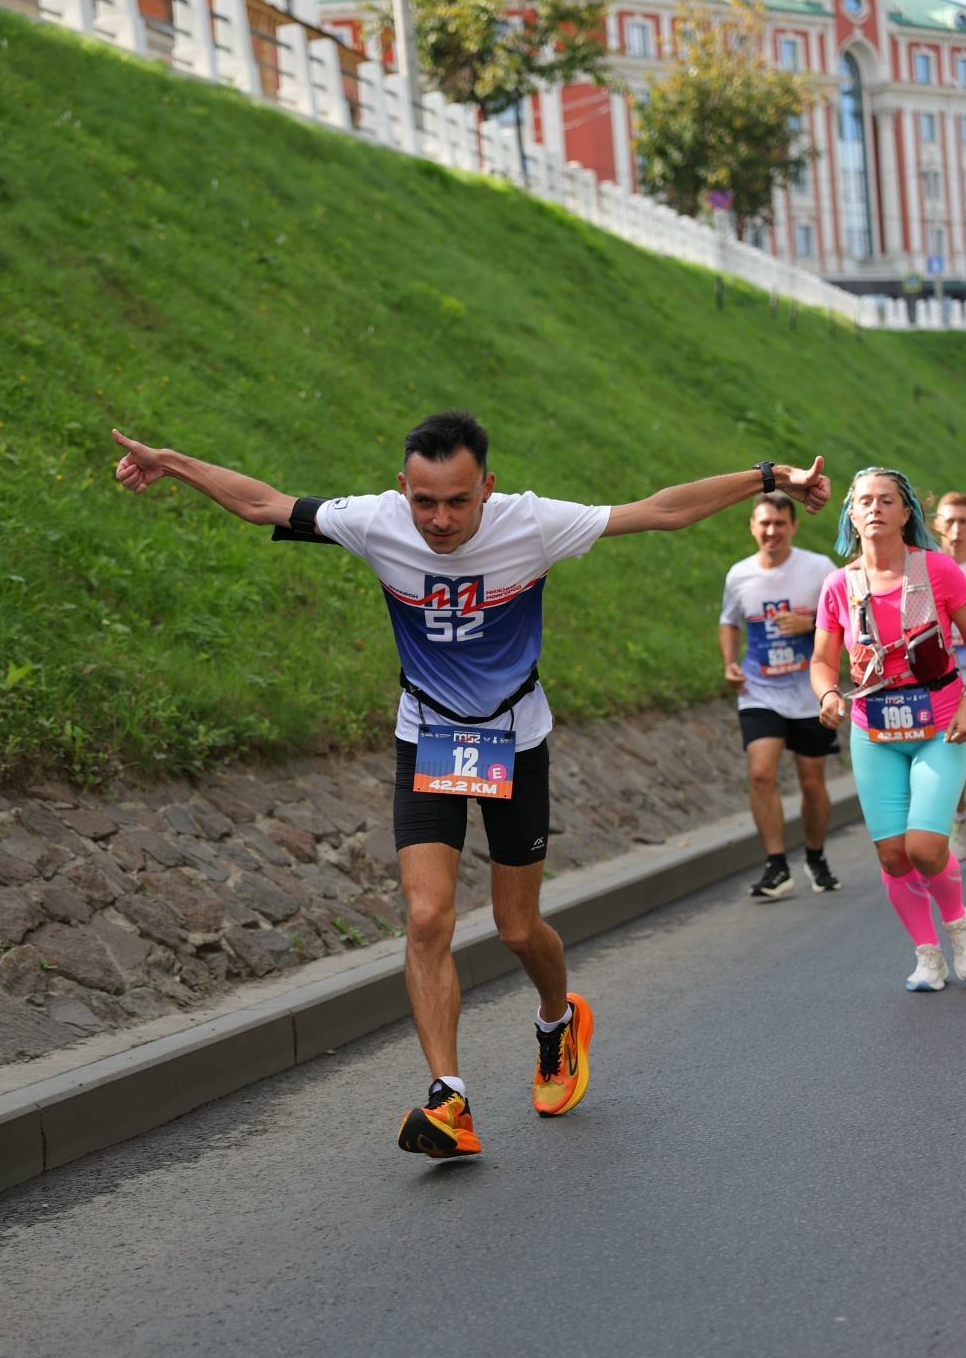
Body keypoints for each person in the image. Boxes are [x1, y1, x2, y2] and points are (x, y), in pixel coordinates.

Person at [112, 415, 829, 1155]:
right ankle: (448, 1099)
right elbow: (265, 503)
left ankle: (558, 1019)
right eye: (424, 501)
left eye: (457, 501)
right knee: (427, 917)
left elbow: (662, 510)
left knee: (517, 928)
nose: (440, 521)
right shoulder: (377, 522)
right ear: (402, 488)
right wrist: (170, 461)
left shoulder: (533, 525)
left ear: (487, 487)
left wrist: (769, 477)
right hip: (426, 737)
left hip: (515, 741)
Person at [812, 467, 966, 993]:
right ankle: (928, 957)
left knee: (925, 847)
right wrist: (828, 695)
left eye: (887, 500)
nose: (875, 508)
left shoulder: (939, 569)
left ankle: (960, 928)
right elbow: (822, 661)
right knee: (892, 854)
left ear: (906, 513)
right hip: (875, 731)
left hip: (940, 726)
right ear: (851, 516)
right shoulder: (839, 585)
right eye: (865, 501)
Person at [719, 494, 840, 899]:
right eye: (765, 523)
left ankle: (816, 857)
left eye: (780, 523)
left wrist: (810, 624)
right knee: (760, 773)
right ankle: (776, 865)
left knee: (812, 782)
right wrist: (729, 663)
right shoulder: (739, 574)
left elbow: (845, 618)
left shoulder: (819, 568)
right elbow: (729, 622)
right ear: (753, 527)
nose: (772, 531)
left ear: (793, 526)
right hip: (760, 690)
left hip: (810, 691)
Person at [933, 492, 966, 860]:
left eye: (963, 521)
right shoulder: (927, 569)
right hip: (944, 679)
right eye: (949, 521)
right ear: (937, 525)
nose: (956, 529)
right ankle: (960, 817)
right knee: (954, 752)